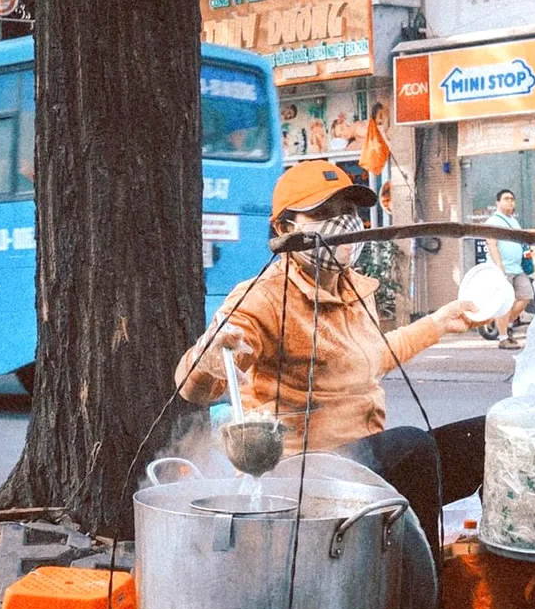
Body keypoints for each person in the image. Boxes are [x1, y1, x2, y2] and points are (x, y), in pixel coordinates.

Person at [175, 159, 487, 571]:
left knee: (488, 436)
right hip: (301, 475)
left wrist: (439, 323)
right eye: (321, 215)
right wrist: (216, 351)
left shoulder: (355, 288)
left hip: (365, 463)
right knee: (412, 447)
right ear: (285, 230)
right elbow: (194, 387)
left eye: (347, 213)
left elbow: (370, 357)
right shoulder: (262, 297)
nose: (341, 226)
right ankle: (420, 603)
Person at [484, 190, 533, 350]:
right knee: (505, 302)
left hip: (518, 268)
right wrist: (500, 266)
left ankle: (505, 324)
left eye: (512, 199)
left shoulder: (514, 221)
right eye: (506, 199)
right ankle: (503, 337)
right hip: (503, 269)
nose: (510, 202)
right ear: (497, 202)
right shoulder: (493, 220)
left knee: (526, 296)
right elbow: (492, 244)